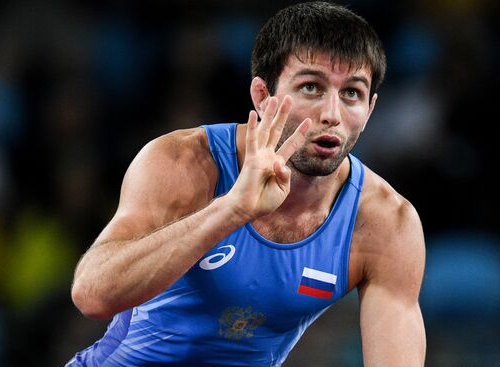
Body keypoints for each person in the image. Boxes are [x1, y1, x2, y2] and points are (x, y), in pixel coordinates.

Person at [66, 2, 426, 366]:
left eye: (352, 93)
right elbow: (92, 295)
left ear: (370, 110)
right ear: (262, 95)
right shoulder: (182, 162)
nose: (332, 114)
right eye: (311, 87)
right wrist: (232, 208)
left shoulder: (386, 223)